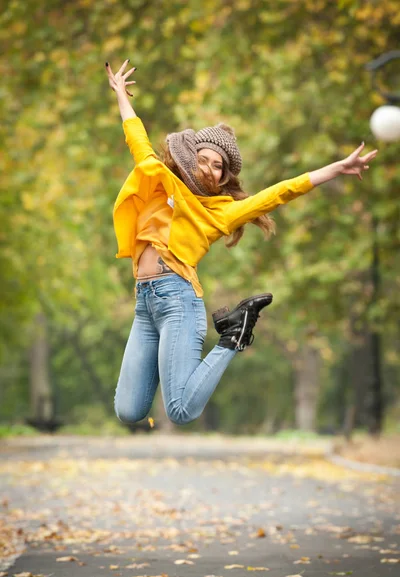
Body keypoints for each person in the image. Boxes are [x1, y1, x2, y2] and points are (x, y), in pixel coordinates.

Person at [105, 59, 378, 426]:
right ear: (189, 159)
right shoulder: (159, 180)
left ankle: (235, 335)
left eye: (218, 166)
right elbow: (135, 136)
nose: (209, 168)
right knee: (128, 410)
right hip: (144, 302)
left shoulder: (221, 212)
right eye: (203, 159)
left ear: (223, 177)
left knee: (181, 410)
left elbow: (277, 194)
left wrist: (333, 169)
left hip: (178, 302)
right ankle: (192, 357)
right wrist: (121, 93)